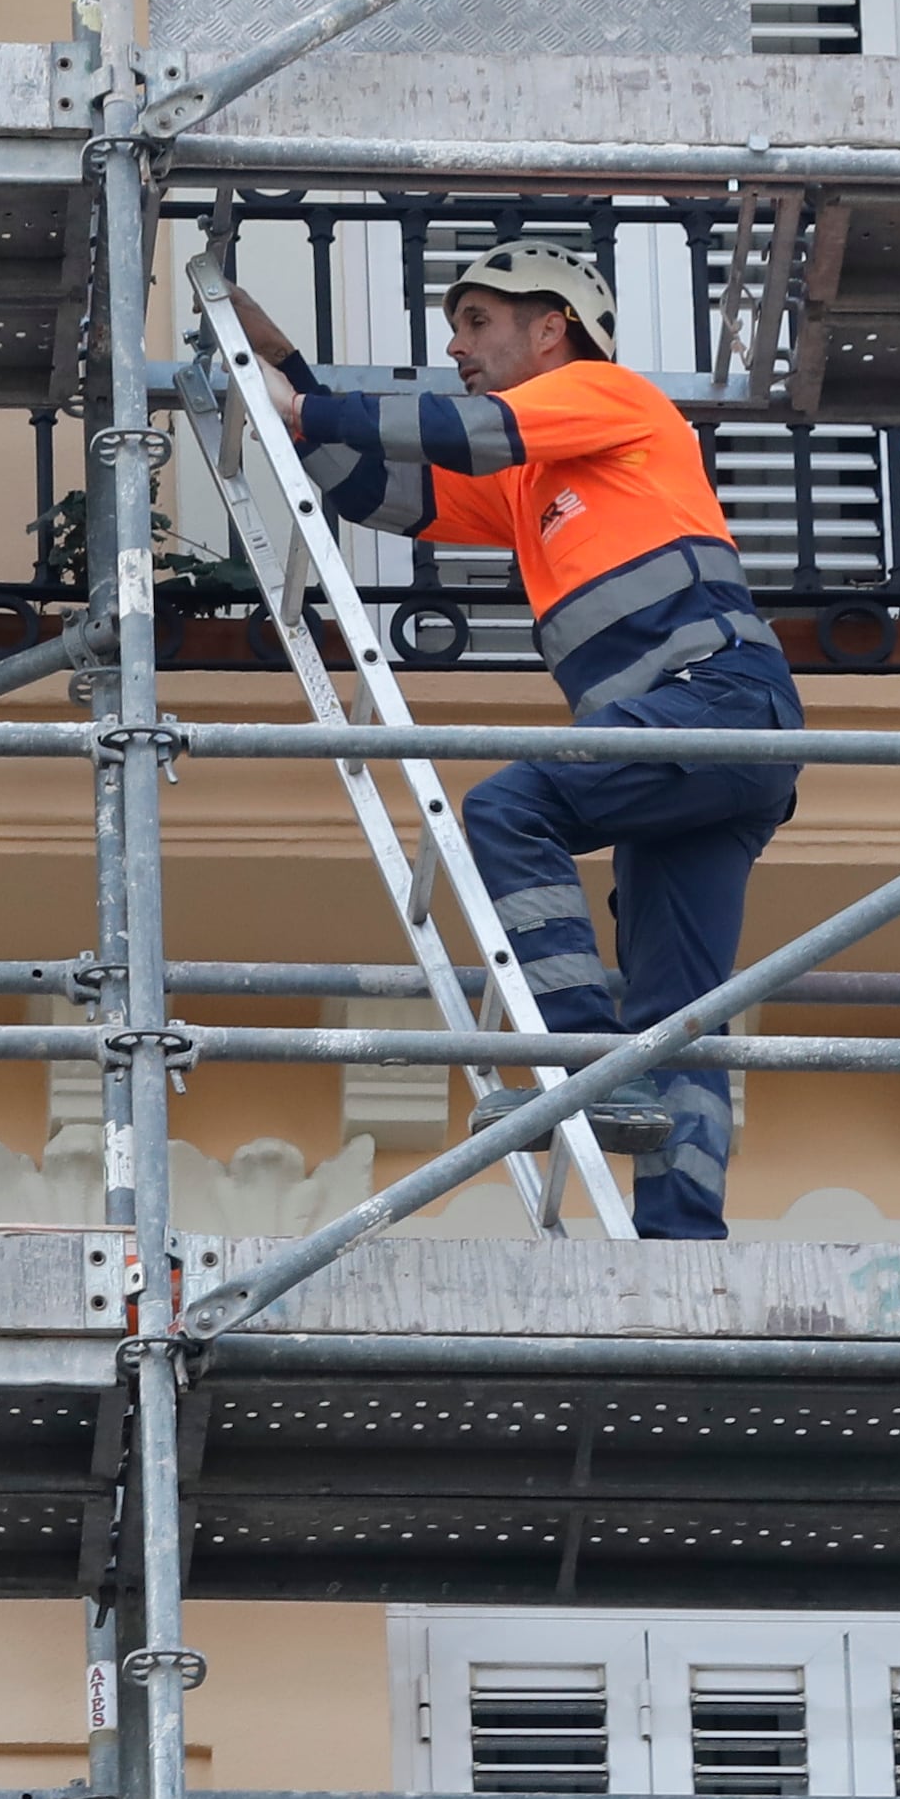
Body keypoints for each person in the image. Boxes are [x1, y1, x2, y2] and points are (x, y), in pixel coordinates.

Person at [232, 242, 804, 1237]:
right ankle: (680, 1241)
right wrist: (292, 373)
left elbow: (468, 428)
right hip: (706, 736)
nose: (455, 345)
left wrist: (308, 406)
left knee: (506, 807)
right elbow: (380, 490)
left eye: (477, 322)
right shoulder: (536, 473)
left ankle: (579, 1066)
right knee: (677, 1008)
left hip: (708, 704)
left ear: (553, 328)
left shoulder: (606, 392)